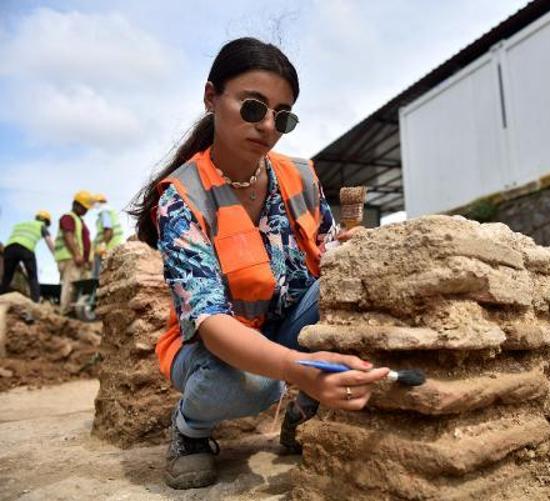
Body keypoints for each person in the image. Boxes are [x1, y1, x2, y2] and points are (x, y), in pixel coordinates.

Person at [129, 37, 388, 490]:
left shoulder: (300, 176)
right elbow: (210, 322)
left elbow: (327, 254)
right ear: (211, 97)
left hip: (285, 326)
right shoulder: (182, 198)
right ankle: (190, 428)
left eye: (282, 116)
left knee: (360, 288)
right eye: (253, 107)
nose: (268, 125)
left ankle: (304, 412)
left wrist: (351, 253)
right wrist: (295, 368)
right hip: (213, 348)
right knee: (253, 384)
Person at [1, 210, 55, 302]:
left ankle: (1, 296)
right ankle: (35, 302)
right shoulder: (41, 226)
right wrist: (56, 256)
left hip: (9, 248)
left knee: (7, 277)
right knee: (33, 277)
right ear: (46, 221)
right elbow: (49, 242)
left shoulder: (21, 224)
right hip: (26, 249)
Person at [54, 190, 94, 315]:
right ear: (76, 204)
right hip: (69, 257)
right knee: (71, 284)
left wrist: (87, 260)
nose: (86, 211)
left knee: (77, 285)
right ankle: (66, 311)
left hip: (77, 259)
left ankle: (74, 311)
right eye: (84, 208)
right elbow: (68, 235)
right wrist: (77, 254)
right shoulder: (68, 217)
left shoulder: (78, 220)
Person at [92, 194, 124, 277]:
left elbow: (108, 230)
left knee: (101, 274)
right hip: (115, 246)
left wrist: (102, 245)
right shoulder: (109, 212)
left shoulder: (104, 212)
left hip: (110, 247)